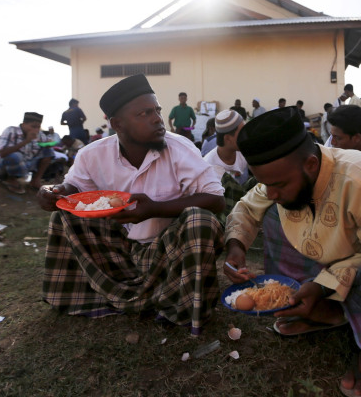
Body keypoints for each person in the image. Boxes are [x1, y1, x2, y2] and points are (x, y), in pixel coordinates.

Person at [223, 107, 361, 397]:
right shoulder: (282, 175)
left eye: (278, 183)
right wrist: (235, 247)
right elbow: (248, 207)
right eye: (265, 183)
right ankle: (327, 311)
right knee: (275, 208)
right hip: (330, 273)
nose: (270, 191)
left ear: (311, 164)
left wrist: (322, 286)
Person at [37, 74, 225, 335]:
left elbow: (216, 199)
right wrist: (52, 192)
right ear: (117, 124)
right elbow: (72, 189)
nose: (157, 119)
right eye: (144, 113)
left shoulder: (178, 148)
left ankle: (179, 307)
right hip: (121, 249)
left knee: (200, 221)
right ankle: (89, 298)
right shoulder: (92, 155)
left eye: (157, 110)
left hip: (171, 251)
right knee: (64, 215)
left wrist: (155, 208)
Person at [203, 110, 254, 221]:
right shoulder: (209, 165)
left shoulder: (242, 152)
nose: (246, 136)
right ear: (228, 138)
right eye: (242, 133)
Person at [0, 112, 54, 194]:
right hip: (2, 167)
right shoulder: (11, 131)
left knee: (49, 152)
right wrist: (26, 141)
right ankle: (10, 179)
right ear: (23, 124)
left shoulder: (39, 134)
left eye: (38, 127)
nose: (36, 130)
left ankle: (35, 181)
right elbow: (2, 153)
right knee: (16, 156)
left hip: (25, 165)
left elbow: (46, 146)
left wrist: (48, 144)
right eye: (33, 126)